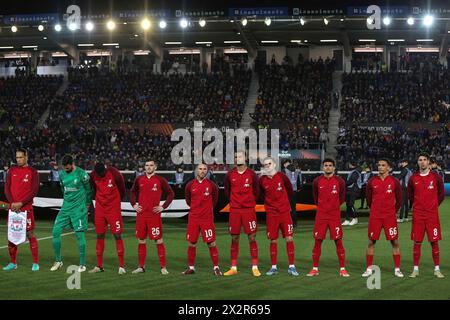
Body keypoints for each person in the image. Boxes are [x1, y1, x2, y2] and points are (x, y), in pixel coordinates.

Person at [130, 159, 174, 274]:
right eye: (147, 165)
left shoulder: (160, 180)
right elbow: (132, 192)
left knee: (158, 240)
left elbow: (171, 193)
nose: (148, 167)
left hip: (154, 215)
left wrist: (163, 206)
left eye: (151, 165)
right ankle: (141, 267)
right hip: (141, 215)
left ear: (155, 167)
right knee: (141, 240)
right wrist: (134, 204)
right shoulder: (139, 179)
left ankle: (163, 267)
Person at [50, 154, 93, 272]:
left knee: (79, 234)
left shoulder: (82, 174)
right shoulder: (62, 173)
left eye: (67, 168)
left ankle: (82, 264)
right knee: (55, 232)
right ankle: (58, 261)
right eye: (64, 168)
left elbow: (89, 190)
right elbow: (62, 189)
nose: (65, 170)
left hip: (78, 209)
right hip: (65, 208)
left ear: (72, 163)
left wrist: (87, 205)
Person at [362, 158, 404, 278]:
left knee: (394, 242)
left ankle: (397, 269)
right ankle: (369, 269)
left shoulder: (394, 181)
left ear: (389, 168)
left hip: (389, 217)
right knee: (371, 242)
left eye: (383, 165)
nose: (380, 167)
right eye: (379, 165)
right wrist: (374, 209)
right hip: (375, 216)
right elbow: (368, 199)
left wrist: (392, 211)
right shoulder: (371, 181)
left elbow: (400, 200)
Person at [307, 158, 349, 277]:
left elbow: (342, 198)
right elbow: (315, 197)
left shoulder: (340, 181)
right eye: (326, 165)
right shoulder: (317, 181)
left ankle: (342, 269)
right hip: (321, 215)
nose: (328, 167)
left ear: (334, 168)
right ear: (323, 167)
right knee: (318, 241)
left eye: (330, 165)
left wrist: (333, 207)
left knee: (338, 241)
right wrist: (323, 207)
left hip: (334, 216)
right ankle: (315, 269)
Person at [259, 157, 299, 276]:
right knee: (273, 240)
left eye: (269, 163)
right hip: (272, 214)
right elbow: (260, 194)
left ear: (274, 164)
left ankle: (291, 266)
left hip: (284, 213)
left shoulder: (282, 176)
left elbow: (290, 191)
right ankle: (273, 267)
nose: (267, 166)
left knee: (289, 238)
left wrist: (283, 204)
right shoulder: (262, 180)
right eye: (265, 164)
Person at [408, 152, 445, 278]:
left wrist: (433, 206)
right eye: (420, 160)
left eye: (424, 159)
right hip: (418, 215)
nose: (422, 162)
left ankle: (437, 269)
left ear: (428, 162)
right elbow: (410, 196)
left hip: (432, 215)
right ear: (417, 162)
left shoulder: (436, 178)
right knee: (417, 242)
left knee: (434, 242)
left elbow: (441, 195)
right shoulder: (413, 178)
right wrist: (418, 207)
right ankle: (415, 269)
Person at [223, 151, 261, 277]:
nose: (237, 158)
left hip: (248, 210)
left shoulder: (252, 174)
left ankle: (255, 266)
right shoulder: (230, 174)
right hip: (235, 210)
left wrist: (250, 202)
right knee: (234, 238)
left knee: (252, 237)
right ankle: (233, 267)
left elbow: (257, 190)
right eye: (235, 157)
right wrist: (234, 202)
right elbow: (227, 190)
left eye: (240, 156)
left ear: (245, 158)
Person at [3, 148, 40, 271]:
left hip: (26, 209)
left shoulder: (33, 172)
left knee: (30, 234)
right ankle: (13, 263)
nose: (18, 159)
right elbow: (6, 188)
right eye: (17, 157)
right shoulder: (11, 171)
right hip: (13, 209)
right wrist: (13, 203)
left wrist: (21, 203)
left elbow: (34, 191)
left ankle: (35, 262)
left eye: (20, 157)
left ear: (26, 157)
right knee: (11, 235)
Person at [183, 163, 221, 276]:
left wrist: (207, 210)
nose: (202, 171)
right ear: (196, 170)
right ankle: (191, 268)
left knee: (211, 243)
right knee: (192, 243)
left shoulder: (211, 185)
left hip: (207, 219)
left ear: (207, 171)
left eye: (205, 169)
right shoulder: (189, 185)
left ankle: (216, 267)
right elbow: (188, 200)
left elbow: (215, 199)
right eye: (200, 169)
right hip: (193, 218)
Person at [89, 162, 127, 274]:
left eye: (103, 173)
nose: (101, 175)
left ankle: (121, 266)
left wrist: (115, 201)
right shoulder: (93, 175)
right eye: (99, 174)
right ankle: (99, 266)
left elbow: (122, 189)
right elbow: (92, 188)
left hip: (113, 208)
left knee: (117, 235)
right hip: (100, 208)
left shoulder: (114, 173)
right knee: (99, 235)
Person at [282, 159, 301, 228]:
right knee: (293, 208)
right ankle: (294, 223)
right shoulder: (296, 171)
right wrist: (298, 188)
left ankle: (286, 223)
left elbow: (282, 182)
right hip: (294, 192)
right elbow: (298, 182)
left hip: (286, 192)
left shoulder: (284, 171)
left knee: (285, 208)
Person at [343, 161, 361, 226]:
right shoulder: (354, 171)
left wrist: (343, 184)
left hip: (354, 189)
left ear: (351, 164)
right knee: (348, 205)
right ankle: (347, 219)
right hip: (350, 189)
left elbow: (351, 181)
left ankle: (355, 218)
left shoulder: (355, 172)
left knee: (350, 204)